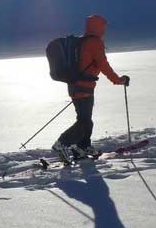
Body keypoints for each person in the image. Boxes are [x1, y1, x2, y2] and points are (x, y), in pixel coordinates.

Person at [52, 15, 129, 163]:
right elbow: (103, 66)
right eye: (103, 27)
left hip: (75, 86)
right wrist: (119, 80)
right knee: (85, 122)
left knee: (85, 120)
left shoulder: (82, 41)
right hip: (84, 87)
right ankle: (62, 144)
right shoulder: (94, 43)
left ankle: (82, 147)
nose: (105, 30)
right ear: (98, 27)